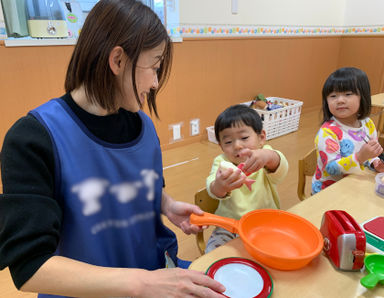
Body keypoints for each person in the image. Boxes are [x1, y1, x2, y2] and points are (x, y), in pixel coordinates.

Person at [0, 1, 226, 297]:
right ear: (118, 60)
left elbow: (126, 183)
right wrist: (142, 284)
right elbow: (31, 267)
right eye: (154, 67)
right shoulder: (33, 137)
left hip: (150, 276)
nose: (156, 83)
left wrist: (166, 204)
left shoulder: (142, 126)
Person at [205, 104, 288, 253]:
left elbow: (281, 169)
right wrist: (220, 186)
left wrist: (269, 157)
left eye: (244, 137)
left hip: (266, 222)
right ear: (221, 146)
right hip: (229, 227)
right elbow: (212, 188)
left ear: (261, 137)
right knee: (213, 252)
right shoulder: (221, 162)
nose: (237, 145)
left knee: (279, 249)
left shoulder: (265, 155)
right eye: (228, 142)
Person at [312, 67, 384, 194]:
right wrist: (360, 157)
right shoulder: (328, 132)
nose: (340, 100)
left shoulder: (368, 124)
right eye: (333, 96)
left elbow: (370, 154)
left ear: (363, 96)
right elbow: (331, 168)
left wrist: (375, 162)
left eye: (348, 94)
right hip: (328, 191)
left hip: (355, 183)